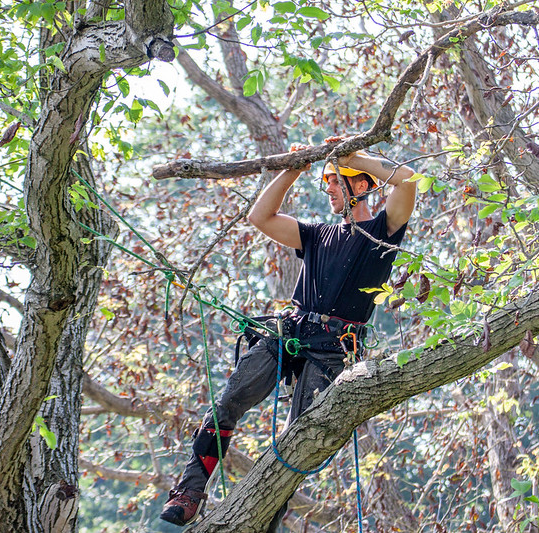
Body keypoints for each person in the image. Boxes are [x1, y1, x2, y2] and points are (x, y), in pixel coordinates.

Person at [160, 149, 416, 529]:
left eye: (335, 182)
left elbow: (408, 180)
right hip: (291, 331)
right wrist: (291, 171)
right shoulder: (316, 235)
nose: (328, 190)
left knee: (299, 438)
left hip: (333, 347)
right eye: (326, 182)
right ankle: (190, 491)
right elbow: (259, 217)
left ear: (361, 186)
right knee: (228, 401)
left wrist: (354, 156)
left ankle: (265, 520)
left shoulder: (383, 232)